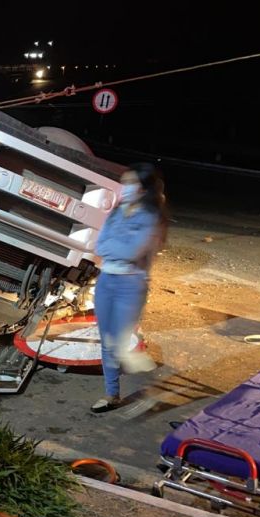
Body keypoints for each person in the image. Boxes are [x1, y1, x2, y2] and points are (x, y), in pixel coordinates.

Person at [91, 163, 168, 413]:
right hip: (106, 281)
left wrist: (115, 248)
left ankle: (147, 384)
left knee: (119, 341)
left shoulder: (150, 217)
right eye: (123, 183)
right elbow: (99, 246)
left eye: (130, 183)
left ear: (143, 189)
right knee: (108, 341)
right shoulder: (116, 212)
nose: (124, 188)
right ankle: (112, 394)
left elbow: (131, 251)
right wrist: (117, 248)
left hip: (130, 284)